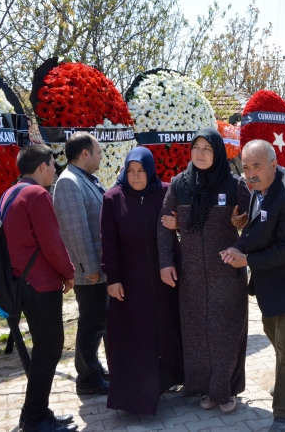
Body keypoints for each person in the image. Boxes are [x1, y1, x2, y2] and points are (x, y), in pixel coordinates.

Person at [220, 140, 285, 432]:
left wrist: (247, 260)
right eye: (246, 166)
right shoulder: (259, 187)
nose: (250, 173)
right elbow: (259, 227)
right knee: (274, 332)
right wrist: (240, 237)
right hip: (271, 280)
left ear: (273, 165)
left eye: (257, 166)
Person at [157, 128, 250, 413]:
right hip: (192, 275)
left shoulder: (235, 186)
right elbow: (163, 226)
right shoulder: (179, 184)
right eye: (196, 147)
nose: (200, 153)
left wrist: (239, 229)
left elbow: (253, 229)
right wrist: (166, 262)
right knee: (197, 334)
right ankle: (205, 389)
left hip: (227, 275)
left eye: (207, 148)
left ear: (218, 152)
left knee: (225, 333)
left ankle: (224, 390)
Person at [100, 147, 183, 415]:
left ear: (151, 171)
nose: (136, 177)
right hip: (130, 283)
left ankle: (168, 381)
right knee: (135, 339)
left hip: (164, 279)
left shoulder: (166, 192)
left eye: (141, 171)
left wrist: (179, 224)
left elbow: (184, 225)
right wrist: (112, 278)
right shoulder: (113, 199)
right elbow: (108, 243)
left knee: (168, 332)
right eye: (131, 171)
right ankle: (134, 400)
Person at [2, 145, 77, 432]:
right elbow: (52, 243)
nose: (55, 170)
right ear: (42, 166)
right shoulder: (36, 194)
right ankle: (34, 419)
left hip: (22, 283)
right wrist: (68, 273)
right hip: (40, 283)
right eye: (52, 165)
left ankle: (37, 413)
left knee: (44, 350)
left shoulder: (10, 193)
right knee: (49, 350)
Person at [52, 132, 109, 396]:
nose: (100, 157)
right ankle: (87, 377)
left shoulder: (86, 179)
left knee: (97, 321)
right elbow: (76, 231)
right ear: (85, 154)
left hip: (97, 269)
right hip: (90, 272)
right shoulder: (69, 183)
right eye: (98, 152)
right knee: (91, 323)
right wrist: (90, 269)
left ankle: (93, 367)